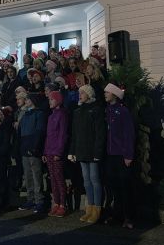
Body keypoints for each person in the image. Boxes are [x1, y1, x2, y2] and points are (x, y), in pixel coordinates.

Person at [69, 85, 106, 224]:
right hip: (81, 151)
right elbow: (74, 134)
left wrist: (98, 151)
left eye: (83, 92)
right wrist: (72, 151)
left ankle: (97, 210)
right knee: (86, 181)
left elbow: (100, 133)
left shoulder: (95, 110)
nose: (80, 94)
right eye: (79, 92)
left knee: (95, 180)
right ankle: (89, 209)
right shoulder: (77, 112)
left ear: (89, 94)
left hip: (92, 151)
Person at [104, 83, 136, 229]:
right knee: (113, 186)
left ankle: (128, 217)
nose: (105, 94)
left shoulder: (123, 111)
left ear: (114, 95)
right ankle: (115, 215)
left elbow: (128, 134)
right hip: (110, 154)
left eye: (107, 92)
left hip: (121, 154)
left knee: (124, 187)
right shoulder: (108, 110)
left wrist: (128, 154)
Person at [18, 93, 47, 213]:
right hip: (25, 147)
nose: (26, 101)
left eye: (28, 99)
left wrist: (35, 147)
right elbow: (21, 132)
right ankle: (30, 199)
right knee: (28, 175)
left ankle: (39, 200)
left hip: (33, 149)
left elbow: (39, 131)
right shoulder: (25, 115)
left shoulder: (39, 114)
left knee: (36, 175)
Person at [43, 91, 68, 217]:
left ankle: (63, 204)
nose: (50, 102)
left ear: (58, 100)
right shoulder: (51, 116)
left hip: (56, 152)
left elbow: (62, 135)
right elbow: (48, 136)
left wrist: (59, 151)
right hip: (49, 152)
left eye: (52, 99)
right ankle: (56, 203)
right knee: (52, 179)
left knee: (59, 179)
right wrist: (45, 151)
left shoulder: (62, 115)